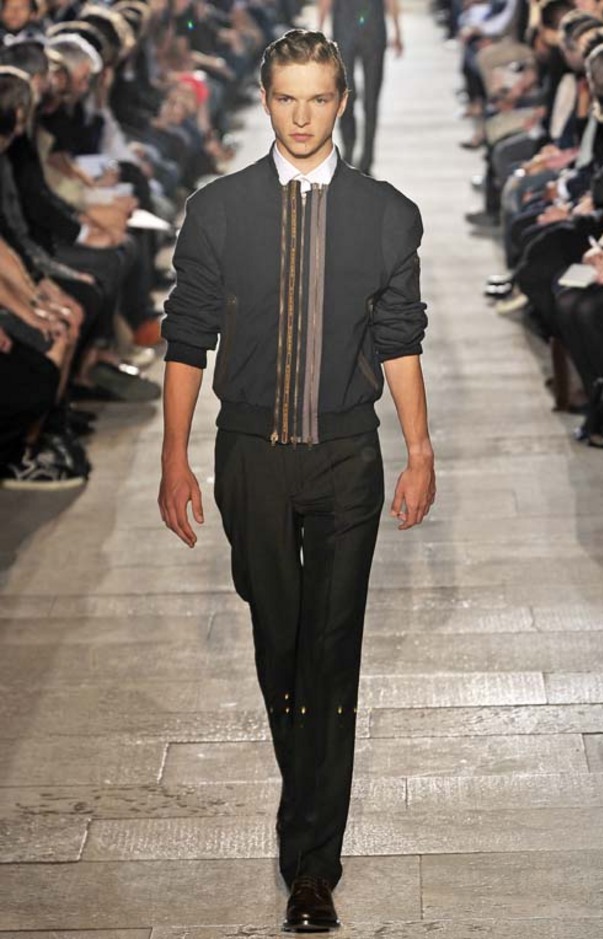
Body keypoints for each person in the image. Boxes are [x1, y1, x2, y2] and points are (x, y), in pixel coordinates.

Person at [158, 29, 435, 933]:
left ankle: (311, 863)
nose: (303, 116)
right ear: (267, 99)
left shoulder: (387, 215)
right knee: (279, 640)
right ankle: (307, 807)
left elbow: (399, 337)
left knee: (332, 648)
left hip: (348, 456)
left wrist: (421, 450)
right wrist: (172, 457)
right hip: (251, 456)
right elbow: (187, 336)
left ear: (342, 102)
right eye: (287, 98)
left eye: (319, 98)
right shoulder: (218, 210)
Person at [317, 0, 402, 174]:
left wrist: (397, 30)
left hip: (357, 27)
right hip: (358, 27)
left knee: (365, 97)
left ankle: (360, 156)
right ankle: (356, 154)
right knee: (354, 95)